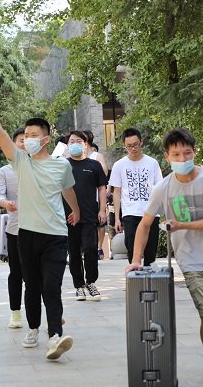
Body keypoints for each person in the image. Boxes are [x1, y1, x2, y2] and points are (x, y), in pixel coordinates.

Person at [0, 77, 79, 360]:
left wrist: (77, 210)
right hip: (28, 235)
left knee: (51, 286)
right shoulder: (20, 162)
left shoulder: (61, 165)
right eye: (27, 134)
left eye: (35, 135)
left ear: (45, 139)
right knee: (32, 286)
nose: (29, 139)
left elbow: (68, 189)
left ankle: (55, 336)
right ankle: (33, 328)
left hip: (56, 235)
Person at [125, 128, 203, 387]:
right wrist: (136, 259)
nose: (182, 158)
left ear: (195, 152)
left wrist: (182, 226)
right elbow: (144, 225)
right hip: (191, 261)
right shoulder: (163, 188)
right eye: (176, 154)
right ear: (167, 157)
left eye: (187, 153)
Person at [109, 128, 162, 266]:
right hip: (130, 213)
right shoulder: (119, 165)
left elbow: (159, 188)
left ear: (141, 142)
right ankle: (134, 276)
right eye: (129, 146)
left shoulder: (152, 163)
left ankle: (150, 276)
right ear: (124, 145)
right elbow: (117, 192)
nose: (133, 148)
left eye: (136, 144)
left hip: (150, 212)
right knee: (132, 250)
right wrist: (117, 218)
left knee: (150, 252)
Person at [64, 131, 108, 301]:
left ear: (85, 144)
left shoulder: (94, 165)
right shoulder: (63, 165)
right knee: (74, 252)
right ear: (67, 145)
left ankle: (91, 282)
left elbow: (102, 188)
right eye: (71, 141)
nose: (75, 144)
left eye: (78, 141)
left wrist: (102, 210)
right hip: (69, 216)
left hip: (89, 214)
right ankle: (79, 286)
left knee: (90, 249)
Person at [0, 127, 26, 328]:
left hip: (40, 229)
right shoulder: (4, 172)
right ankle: (15, 312)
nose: (25, 143)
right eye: (22, 140)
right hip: (16, 229)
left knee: (40, 274)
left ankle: (48, 314)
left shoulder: (43, 167)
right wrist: (7, 204)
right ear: (13, 144)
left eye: (30, 139)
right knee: (16, 273)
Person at [82, 131, 109, 260]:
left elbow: (104, 173)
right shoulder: (72, 158)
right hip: (79, 200)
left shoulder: (97, 156)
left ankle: (98, 247)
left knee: (99, 226)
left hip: (95, 199)